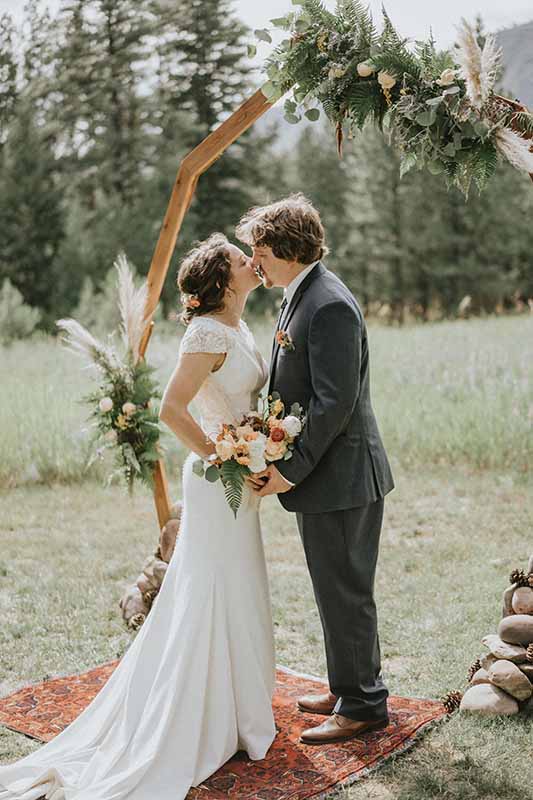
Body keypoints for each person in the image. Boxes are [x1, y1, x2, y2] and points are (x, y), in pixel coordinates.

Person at [0, 233, 276, 800]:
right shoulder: (204, 333)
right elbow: (173, 409)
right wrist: (221, 454)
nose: (251, 259)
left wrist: (257, 444)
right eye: (237, 256)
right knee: (209, 592)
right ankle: (192, 715)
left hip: (240, 478)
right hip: (217, 478)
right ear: (222, 281)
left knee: (239, 587)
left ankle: (233, 709)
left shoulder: (240, 327)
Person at [237, 194, 395, 745]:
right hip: (327, 476)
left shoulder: (327, 303)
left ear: (283, 246)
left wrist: (290, 470)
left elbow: (335, 403)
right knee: (333, 586)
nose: (253, 259)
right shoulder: (298, 294)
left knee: (347, 588)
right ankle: (347, 684)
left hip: (343, 475)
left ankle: (364, 706)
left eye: (258, 247)